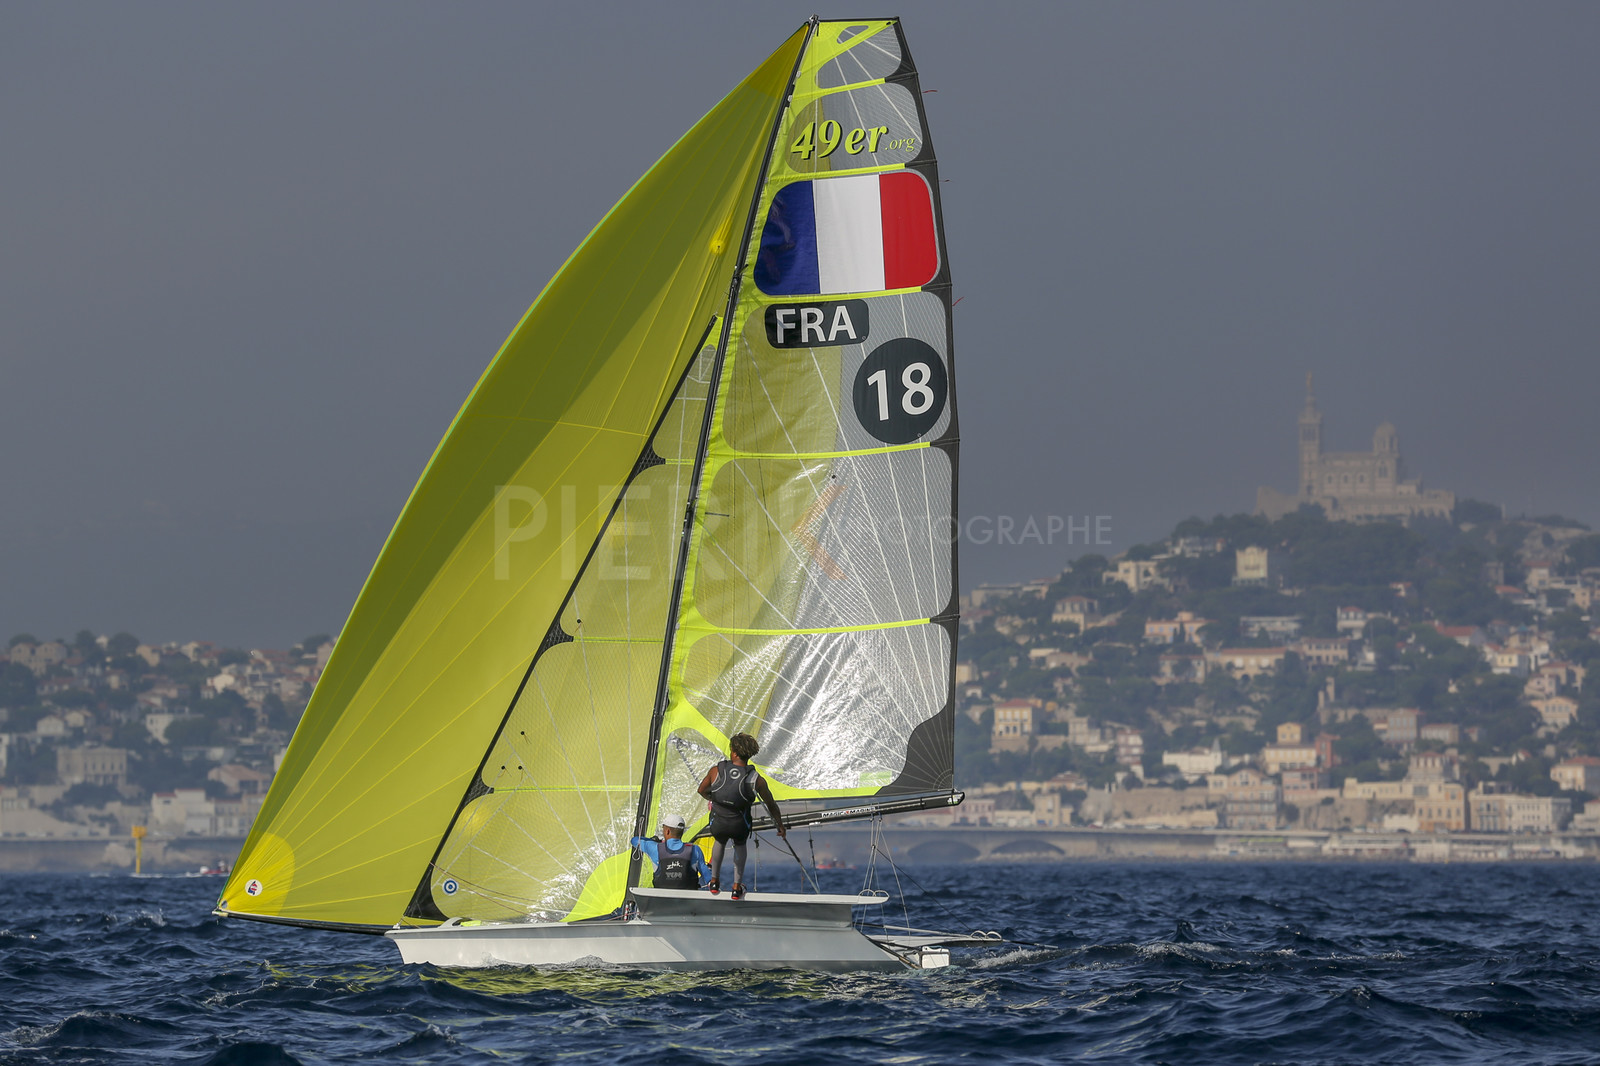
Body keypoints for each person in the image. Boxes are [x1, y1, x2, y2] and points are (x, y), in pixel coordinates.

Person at [697, 732, 785, 900]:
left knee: (720, 841)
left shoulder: (716, 771)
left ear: (734, 753)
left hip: (719, 824)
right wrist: (780, 825)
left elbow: (701, 790)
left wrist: (714, 799)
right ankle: (736, 887)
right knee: (740, 844)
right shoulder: (756, 779)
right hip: (739, 825)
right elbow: (771, 804)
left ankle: (714, 882)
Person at [629, 814, 710, 891]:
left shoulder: (654, 848)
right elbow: (707, 875)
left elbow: (634, 840)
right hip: (688, 900)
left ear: (667, 831)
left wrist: (653, 840)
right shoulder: (694, 849)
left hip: (662, 899)